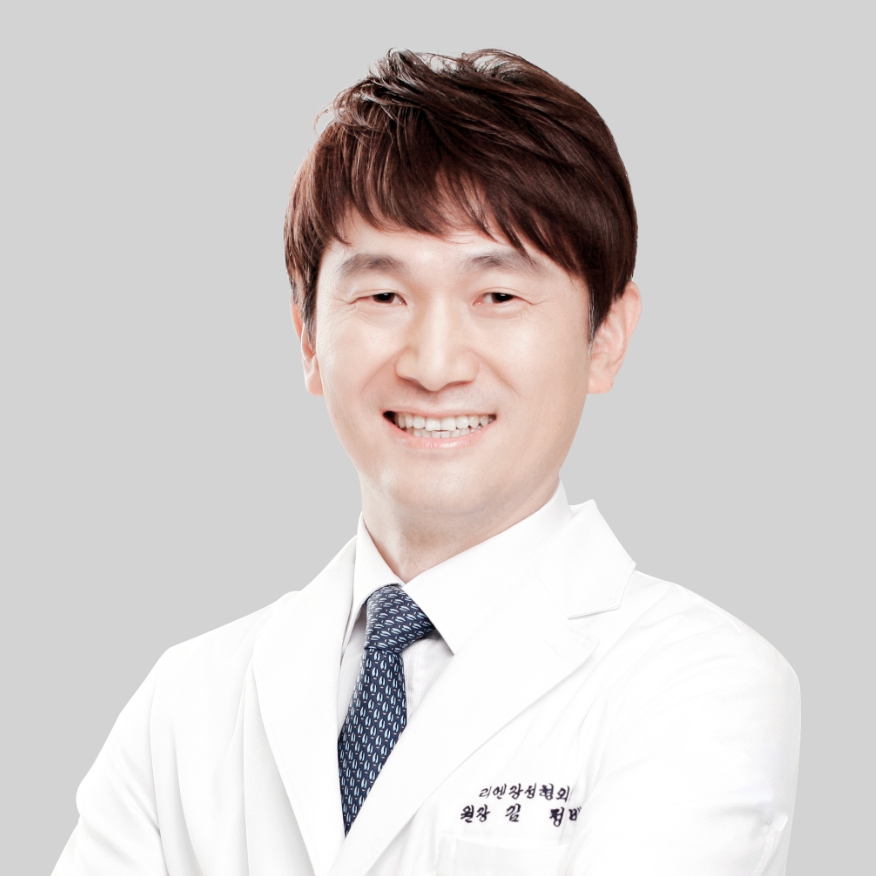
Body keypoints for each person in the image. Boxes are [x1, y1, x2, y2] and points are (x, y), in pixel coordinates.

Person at [53, 49, 800, 876]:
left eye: (498, 296)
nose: (435, 364)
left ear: (605, 337)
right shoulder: (187, 701)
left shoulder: (700, 683)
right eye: (383, 295)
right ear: (307, 338)